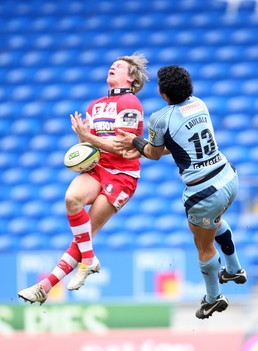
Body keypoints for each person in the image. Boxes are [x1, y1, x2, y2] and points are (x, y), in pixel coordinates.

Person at [114, 65, 247, 319]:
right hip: (228, 177)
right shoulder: (199, 104)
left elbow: (153, 153)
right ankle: (234, 268)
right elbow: (178, 144)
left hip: (204, 192)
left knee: (203, 245)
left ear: (163, 94)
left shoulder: (160, 118)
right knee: (215, 222)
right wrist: (146, 146)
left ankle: (213, 298)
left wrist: (134, 141)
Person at [18, 53, 148, 305]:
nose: (112, 66)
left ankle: (45, 286)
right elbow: (89, 146)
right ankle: (89, 261)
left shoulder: (131, 102)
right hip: (98, 166)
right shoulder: (94, 106)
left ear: (131, 78)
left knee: (87, 230)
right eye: (112, 64)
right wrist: (82, 140)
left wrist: (88, 137)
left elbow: (122, 148)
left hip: (122, 174)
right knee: (72, 199)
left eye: (119, 66)